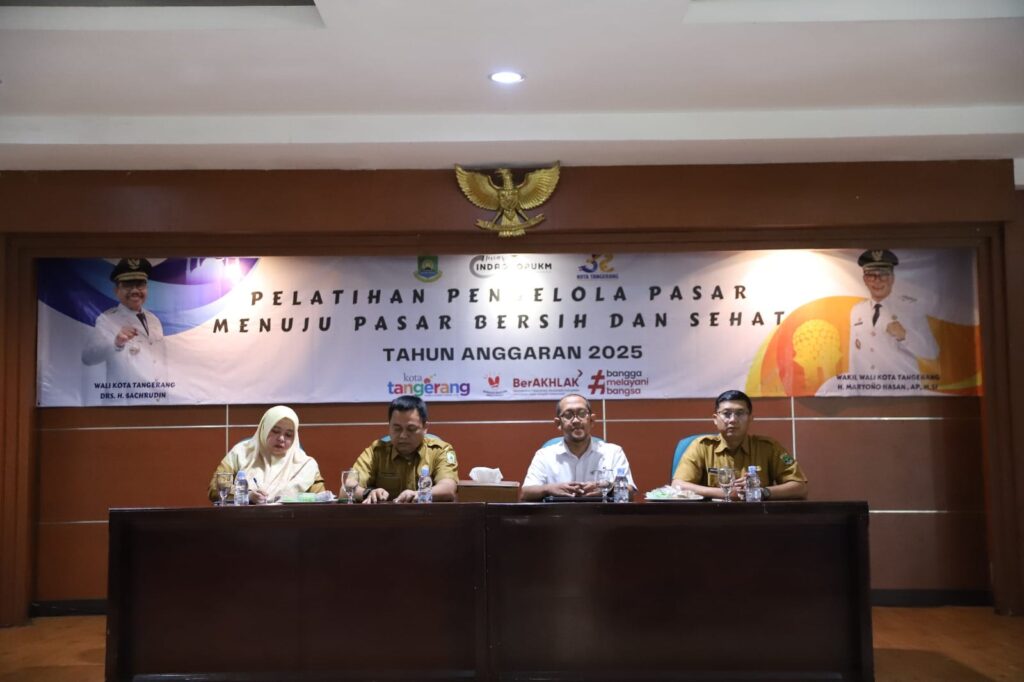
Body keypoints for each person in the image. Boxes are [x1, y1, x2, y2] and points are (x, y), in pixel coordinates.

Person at [672, 390, 807, 501]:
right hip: (711, 518)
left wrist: (761, 492)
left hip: (757, 518)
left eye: (740, 413)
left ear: (750, 418)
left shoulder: (768, 447)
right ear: (715, 419)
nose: (733, 420)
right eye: (726, 414)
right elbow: (678, 485)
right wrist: (726, 493)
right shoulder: (701, 446)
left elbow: (800, 487)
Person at [521, 393, 635, 501]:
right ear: (558, 423)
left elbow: (629, 491)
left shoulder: (613, 452)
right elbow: (526, 492)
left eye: (582, 413)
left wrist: (606, 487)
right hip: (558, 514)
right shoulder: (544, 455)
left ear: (591, 420)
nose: (576, 421)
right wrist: (549, 488)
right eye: (568, 415)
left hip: (601, 514)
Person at [207, 405, 326, 504]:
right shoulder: (240, 454)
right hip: (243, 521)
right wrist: (247, 495)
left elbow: (322, 501)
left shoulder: (306, 465)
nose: (281, 438)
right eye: (275, 431)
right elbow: (215, 489)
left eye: (288, 435)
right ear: (264, 428)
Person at [350, 396, 459, 503]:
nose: (403, 435)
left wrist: (419, 494)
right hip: (385, 514)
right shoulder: (376, 452)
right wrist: (367, 493)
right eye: (397, 429)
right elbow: (346, 489)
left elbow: (448, 488)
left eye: (411, 429)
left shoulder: (440, 450)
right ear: (389, 426)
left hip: (427, 514)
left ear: (425, 427)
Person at [848, 249, 938, 378]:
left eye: (883, 274)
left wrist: (904, 336)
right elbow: (855, 356)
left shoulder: (911, 307)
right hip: (867, 387)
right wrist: (853, 386)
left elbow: (931, 352)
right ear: (865, 279)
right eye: (871, 275)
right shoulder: (857, 310)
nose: (877, 280)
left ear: (892, 278)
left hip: (900, 388)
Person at [81, 258, 168, 388]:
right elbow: (88, 357)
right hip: (126, 397)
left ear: (146, 288)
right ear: (116, 290)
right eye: (128, 285)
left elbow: (160, 363)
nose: (135, 291)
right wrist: (116, 343)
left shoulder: (154, 320)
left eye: (140, 284)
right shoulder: (107, 319)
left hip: (155, 396)